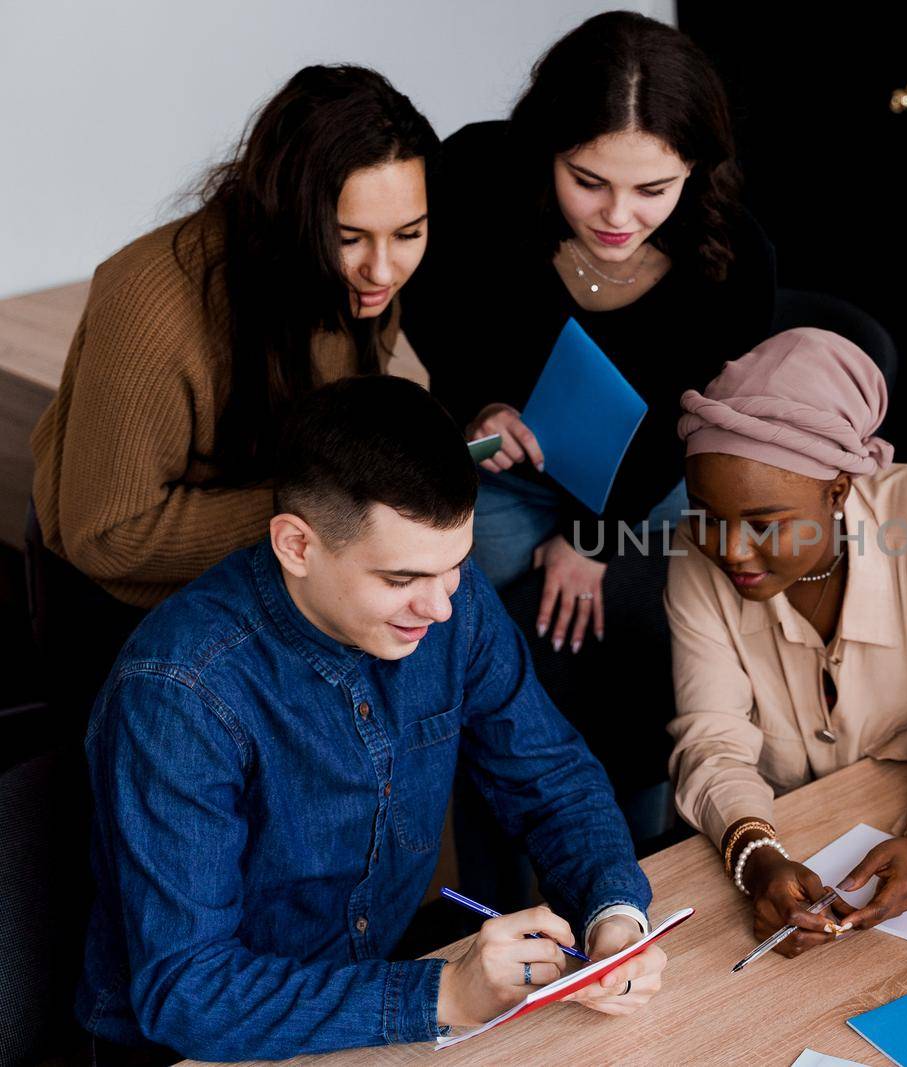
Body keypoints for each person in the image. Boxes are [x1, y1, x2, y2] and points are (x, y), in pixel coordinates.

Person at [77, 376, 666, 1064]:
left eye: (454, 567)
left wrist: (613, 914)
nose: (441, 608)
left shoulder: (452, 597)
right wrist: (442, 995)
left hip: (375, 1005)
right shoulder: (180, 689)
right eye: (401, 579)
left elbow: (552, 777)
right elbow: (188, 989)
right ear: (296, 545)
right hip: (191, 1050)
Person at [402, 9, 775, 655]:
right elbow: (432, 309)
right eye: (588, 181)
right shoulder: (473, 174)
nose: (618, 218)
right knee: (448, 616)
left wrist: (592, 538)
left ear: (696, 169)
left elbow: (688, 429)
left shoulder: (735, 259)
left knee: (702, 607)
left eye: (654, 189)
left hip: (652, 478)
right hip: (503, 465)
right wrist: (478, 407)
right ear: (546, 149)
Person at [666, 329, 907, 956]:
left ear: (837, 491)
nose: (728, 548)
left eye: (762, 524)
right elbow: (713, 742)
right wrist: (757, 859)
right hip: (787, 825)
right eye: (706, 514)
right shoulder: (691, 558)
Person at [31, 64, 437, 614]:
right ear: (290, 217)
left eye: (409, 233)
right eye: (348, 238)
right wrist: (324, 507)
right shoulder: (151, 306)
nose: (384, 271)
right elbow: (108, 537)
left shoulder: (362, 286)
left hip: (265, 571)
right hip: (127, 606)